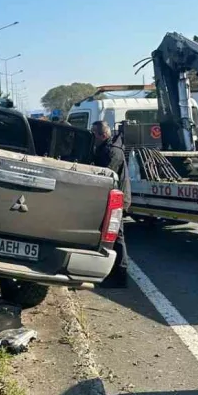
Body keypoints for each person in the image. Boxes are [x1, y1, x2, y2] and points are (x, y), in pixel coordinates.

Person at [90, 121, 132, 287]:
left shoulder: (113, 151)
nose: (92, 137)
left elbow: (106, 174)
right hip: (113, 198)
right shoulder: (106, 148)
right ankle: (112, 273)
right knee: (112, 236)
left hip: (117, 199)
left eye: (94, 133)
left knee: (117, 236)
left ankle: (120, 276)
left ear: (103, 135)